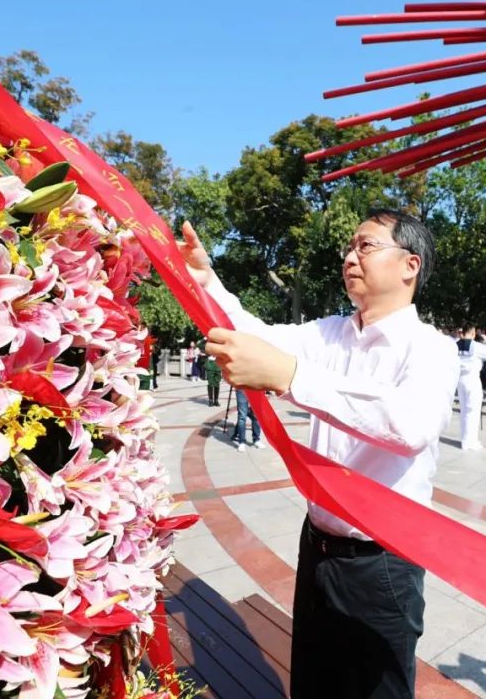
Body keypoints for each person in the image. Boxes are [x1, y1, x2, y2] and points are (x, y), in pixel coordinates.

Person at [181, 210, 456, 698]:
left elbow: (409, 426)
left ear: (409, 265)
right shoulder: (328, 333)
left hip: (384, 563)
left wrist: (292, 376)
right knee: (313, 681)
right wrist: (207, 279)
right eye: (349, 247)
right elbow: (254, 332)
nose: (351, 257)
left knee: (377, 690)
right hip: (319, 547)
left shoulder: (431, 348)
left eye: (366, 246)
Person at [457, 327, 486, 450]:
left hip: (460, 379)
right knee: (473, 411)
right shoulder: (475, 346)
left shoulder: (455, 345)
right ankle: (472, 442)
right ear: (473, 333)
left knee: (464, 411)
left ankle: (465, 441)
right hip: (472, 379)